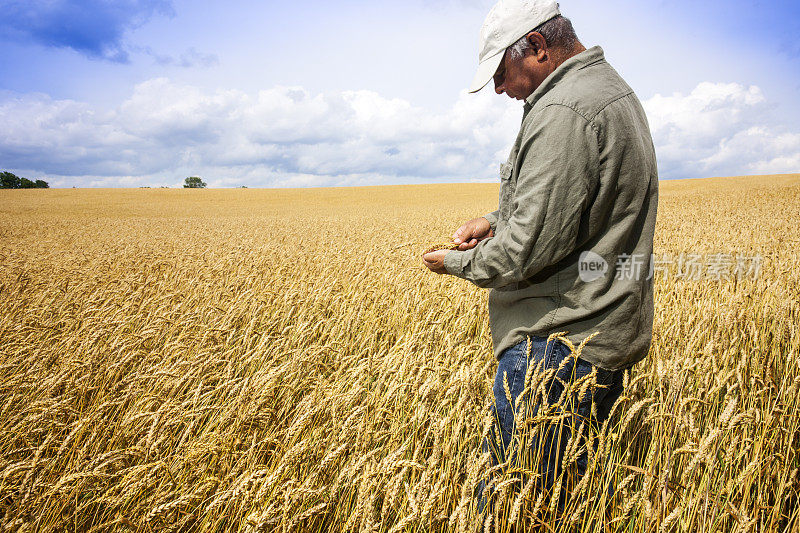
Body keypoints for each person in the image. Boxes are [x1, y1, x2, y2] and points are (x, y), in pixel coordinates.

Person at [421, 0, 659, 523]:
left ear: (536, 47)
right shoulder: (607, 90)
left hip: (554, 343)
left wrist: (455, 263)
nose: (501, 89)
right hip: (601, 333)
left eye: (502, 73)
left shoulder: (561, 113)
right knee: (566, 499)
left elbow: (525, 251)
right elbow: (572, 200)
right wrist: (493, 217)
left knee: (509, 502)